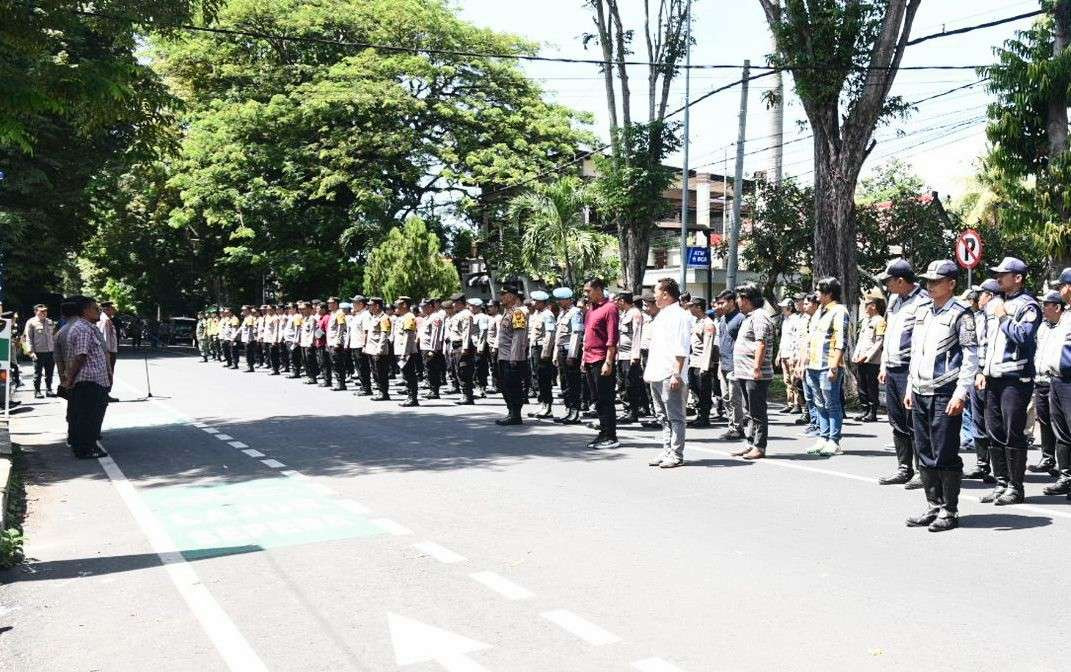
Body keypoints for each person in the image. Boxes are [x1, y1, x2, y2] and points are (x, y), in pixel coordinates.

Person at [903, 260, 978, 532]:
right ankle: (933, 504)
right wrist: (910, 386)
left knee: (944, 451)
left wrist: (961, 392)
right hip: (921, 389)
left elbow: (970, 357)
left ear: (952, 284)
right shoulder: (923, 310)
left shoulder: (962, 314)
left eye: (937, 281)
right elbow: (916, 351)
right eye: (928, 281)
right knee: (924, 451)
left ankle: (950, 509)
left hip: (946, 390)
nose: (931, 285)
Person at [978, 257, 1042, 506]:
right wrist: (982, 370)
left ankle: (1016, 487)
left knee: (1012, 433)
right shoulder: (996, 304)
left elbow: (1024, 337)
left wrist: (1004, 318)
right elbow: (985, 340)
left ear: (1018, 278)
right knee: (994, 431)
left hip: (1015, 379)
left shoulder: (1028, 306)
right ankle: (1001, 483)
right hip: (993, 377)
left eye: (1003, 274)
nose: (998, 278)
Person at [876, 259, 930, 488]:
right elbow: (889, 333)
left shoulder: (923, 301)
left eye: (888, 281)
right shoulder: (895, 300)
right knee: (897, 420)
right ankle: (903, 467)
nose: (886, 285)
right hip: (892, 367)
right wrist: (883, 365)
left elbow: (923, 339)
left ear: (900, 280)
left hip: (910, 369)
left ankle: (922, 470)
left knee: (915, 422)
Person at [643, 278, 692, 468]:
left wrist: (676, 374)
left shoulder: (680, 315)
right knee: (662, 417)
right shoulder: (662, 315)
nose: (654, 296)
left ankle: (677, 454)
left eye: (656, 291)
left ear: (665, 294)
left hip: (670, 374)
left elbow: (682, 348)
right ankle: (667, 450)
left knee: (675, 416)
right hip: (656, 372)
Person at [803, 277, 850, 456]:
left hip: (827, 365)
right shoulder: (819, 311)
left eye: (819, 290)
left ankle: (834, 440)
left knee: (832, 404)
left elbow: (841, 340)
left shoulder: (839, 311)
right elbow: (811, 337)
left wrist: (834, 366)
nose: (816, 293)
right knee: (818, 403)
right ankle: (823, 437)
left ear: (829, 293)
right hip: (813, 365)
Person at [59, 296, 111, 459]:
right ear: (85, 311)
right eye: (95, 309)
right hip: (88, 380)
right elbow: (80, 356)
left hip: (94, 380)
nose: (99, 311)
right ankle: (84, 448)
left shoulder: (88, 327)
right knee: (87, 417)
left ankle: (86, 445)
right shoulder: (82, 329)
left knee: (89, 415)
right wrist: (69, 380)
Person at [731, 285, 775, 460]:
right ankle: (750, 444)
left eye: (739, 298)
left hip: (754, 373)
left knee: (757, 411)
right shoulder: (749, 317)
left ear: (747, 299)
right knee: (749, 411)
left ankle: (759, 446)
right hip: (744, 372)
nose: (737, 302)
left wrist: (756, 368)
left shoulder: (760, 317)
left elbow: (761, 343)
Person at [1039, 267, 1071, 497]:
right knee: (1062, 432)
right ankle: (1066, 476)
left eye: (1061, 285)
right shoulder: (1065, 316)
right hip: (1057, 380)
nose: (1060, 290)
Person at [1030, 290, 1064, 476]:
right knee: (1043, 421)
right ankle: (1047, 457)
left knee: (1059, 424)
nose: (1043, 308)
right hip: (1041, 380)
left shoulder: (1064, 326)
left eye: (1046, 305)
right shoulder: (1043, 327)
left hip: (1056, 381)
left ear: (1057, 307)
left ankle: (1063, 463)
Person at [582, 278, 619, 449]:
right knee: (597, 399)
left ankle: (610, 436)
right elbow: (587, 336)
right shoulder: (591, 309)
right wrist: (583, 358)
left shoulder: (610, 308)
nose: (586, 294)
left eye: (588, 291)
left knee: (606, 399)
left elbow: (612, 338)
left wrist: (609, 361)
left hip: (602, 359)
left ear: (598, 289)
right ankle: (603, 432)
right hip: (589, 358)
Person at [495, 284, 530, 425]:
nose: (501, 297)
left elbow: (519, 336)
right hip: (503, 356)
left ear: (512, 296)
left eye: (504, 294)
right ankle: (511, 412)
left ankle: (516, 414)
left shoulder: (518, 313)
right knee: (505, 385)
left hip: (511, 357)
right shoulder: (508, 311)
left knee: (513, 386)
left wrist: (514, 357)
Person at [714, 290, 746, 440]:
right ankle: (731, 425)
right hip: (723, 363)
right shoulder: (722, 319)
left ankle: (738, 427)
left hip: (735, 364)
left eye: (723, 303)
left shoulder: (740, 319)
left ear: (732, 302)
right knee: (726, 397)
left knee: (735, 398)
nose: (720, 306)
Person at [851, 292, 886, 422]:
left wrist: (867, 357)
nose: (864, 306)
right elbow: (861, 341)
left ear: (874, 306)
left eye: (867, 304)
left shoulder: (880, 321)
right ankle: (864, 409)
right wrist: (856, 355)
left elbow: (879, 341)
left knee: (871, 386)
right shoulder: (866, 320)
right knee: (862, 385)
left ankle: (872, 412)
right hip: (861, 359)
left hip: (872, 360)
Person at [552, 287, 584, 424]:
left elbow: (576, 334)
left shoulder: (575, 313)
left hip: (570, 351)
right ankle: (568, 409)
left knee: (573, 382)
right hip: (561, 350)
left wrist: (572, 354)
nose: (558, 302)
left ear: (568, 299)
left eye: (561, 299)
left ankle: (575, 411)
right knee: (564, 382)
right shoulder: (562, 314)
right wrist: (555, 354)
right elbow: (558, 336)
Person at [686, 298, 717, 428]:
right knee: (695, 390)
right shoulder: (697, 321)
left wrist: (705, 367)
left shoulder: (708, 324)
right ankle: (699, 415)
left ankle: (704, 417)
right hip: (694, 362)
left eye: (691, 306)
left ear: (698, 307)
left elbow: (708, 347)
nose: (689, 309)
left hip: (702, 364)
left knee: (704, 391)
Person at [615, 292, 645, 424]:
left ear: (622, 300)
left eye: (618, 300)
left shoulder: (635, 313)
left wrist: (635, 355)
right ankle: (627, 409)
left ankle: (633, 411)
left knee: (630, 384)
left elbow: (637, 335)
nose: (616, 303)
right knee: (622, 384)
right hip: (621, 355)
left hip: (630, 355)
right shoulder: (623, 314)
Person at [527, 291, 557, 419]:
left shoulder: (547, 315)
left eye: (535, 301)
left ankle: (548, 406)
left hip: (542, 349)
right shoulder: (536, 314)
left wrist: (546, 352)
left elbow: (550, 334)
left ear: (541, 302)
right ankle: (542, 403)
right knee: (537, 377)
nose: (533, 303)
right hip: (535, 348)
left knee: (544, 378)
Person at [776, 297, 804, 415]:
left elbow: (795, 339)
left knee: (794, 380)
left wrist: (794, 355)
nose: (782, 309)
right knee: (787, 380)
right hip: (784, 353)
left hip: (792, 354)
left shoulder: (796, 319)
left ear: (789, 307)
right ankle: (790, 403)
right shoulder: (785, 320)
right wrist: (779, 354)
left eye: (784, 307)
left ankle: (798, 404)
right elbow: (783, 339)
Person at [23, 303, 57, 399]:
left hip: (50, 351)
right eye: (41, 311)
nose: (44, 313)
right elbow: (28, 338)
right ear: (35, 312)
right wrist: (31, 352)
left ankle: (49, 390)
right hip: (38, 352)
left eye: (45, 311)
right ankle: (37, 391)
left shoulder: (50, 322)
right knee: (38, 373)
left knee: (49, 372)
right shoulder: (31, 322)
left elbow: (53, 336)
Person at [392, 297, 420, 406]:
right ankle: (410, 397)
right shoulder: (403, 317)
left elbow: (409, 337)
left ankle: (412, 398)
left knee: (409, 375)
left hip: (407, 352)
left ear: (404, 305)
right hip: (401, 351)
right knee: (406, 375)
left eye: (398, 305)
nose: (396, 307)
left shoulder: (409, 317)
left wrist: (405, 353)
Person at [364, 297, 392, 400]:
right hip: (371, 350)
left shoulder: (384, 318)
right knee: (375, 372)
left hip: (379, 351)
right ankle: (380, 391)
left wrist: (379, 350)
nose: (369, 307)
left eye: (371, 305)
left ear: (377, 306)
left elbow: (384, 335)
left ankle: (384, 393)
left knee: (381, 373)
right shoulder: (373, 317)